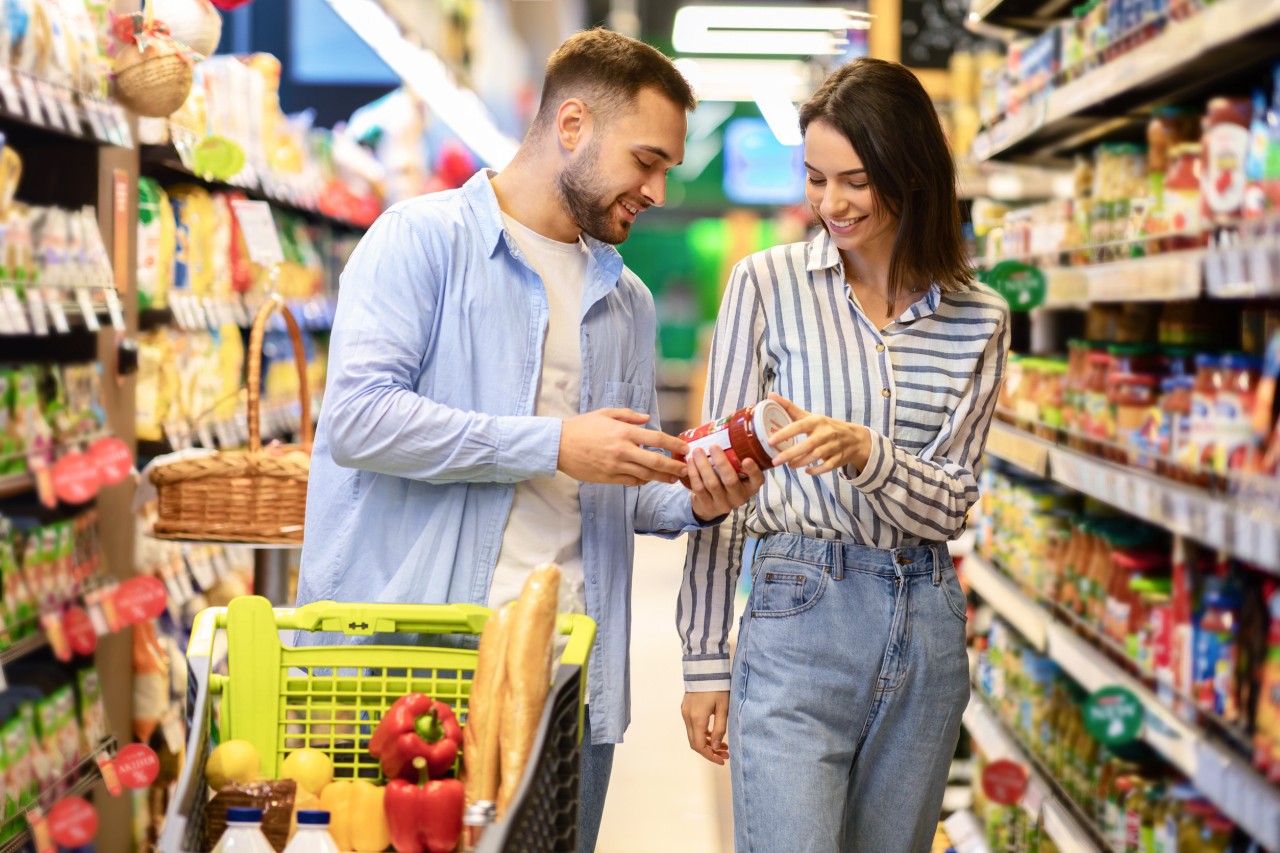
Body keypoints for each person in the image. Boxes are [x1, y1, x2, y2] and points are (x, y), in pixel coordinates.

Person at [296, 28, 765, 852]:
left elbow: (608, 485)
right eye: (647, 159)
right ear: (573, 125)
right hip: (419, 664)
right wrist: (549, 442)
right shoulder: (420, 240)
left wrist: (694, 497)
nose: (657, 188)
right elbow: (359, 420)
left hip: (570, 675)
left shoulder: (629, 303)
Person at [678, 57, 1010, 852]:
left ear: (910, 173)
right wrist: (703, 658)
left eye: (855, 180)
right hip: (797, 610)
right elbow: (721, 479)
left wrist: (868, 453)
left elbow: (952, 503)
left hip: (926, 620)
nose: (830, 203)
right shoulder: (766, 285)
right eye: (816, 177)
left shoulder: (981, 318)